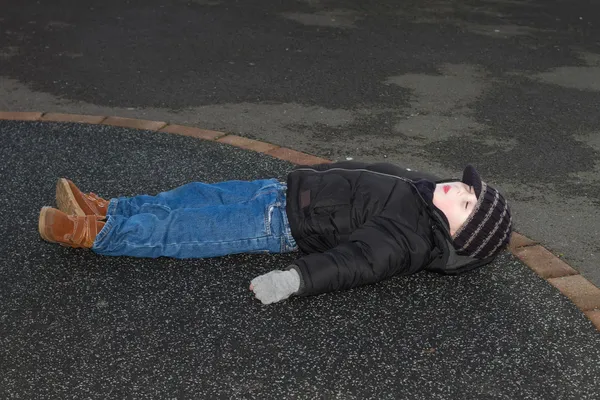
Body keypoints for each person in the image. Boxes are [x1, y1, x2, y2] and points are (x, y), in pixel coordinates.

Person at [38, 161, 512, 305]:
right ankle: (111, 209)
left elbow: (354, 264)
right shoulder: (419, 189)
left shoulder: (409, 239)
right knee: (193, 194)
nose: (457, 189)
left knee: (186, 228)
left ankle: (94, 234)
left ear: (458, 232)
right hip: (279, 190)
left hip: (277, 224)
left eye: (466, 202)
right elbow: (366, 171)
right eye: (467, 189)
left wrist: (294, 279)